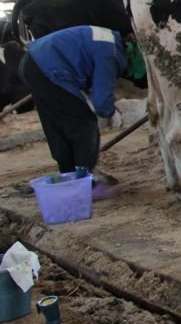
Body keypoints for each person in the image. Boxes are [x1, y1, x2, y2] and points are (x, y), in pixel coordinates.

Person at [18, 25, 141, 200]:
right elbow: (101, 102)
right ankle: (86, 184)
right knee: (85, 124)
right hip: (51, 68)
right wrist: (113, 113)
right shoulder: (112, 54)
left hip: (31, 62)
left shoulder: (107, 37)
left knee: (57, 126)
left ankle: (68, 177)